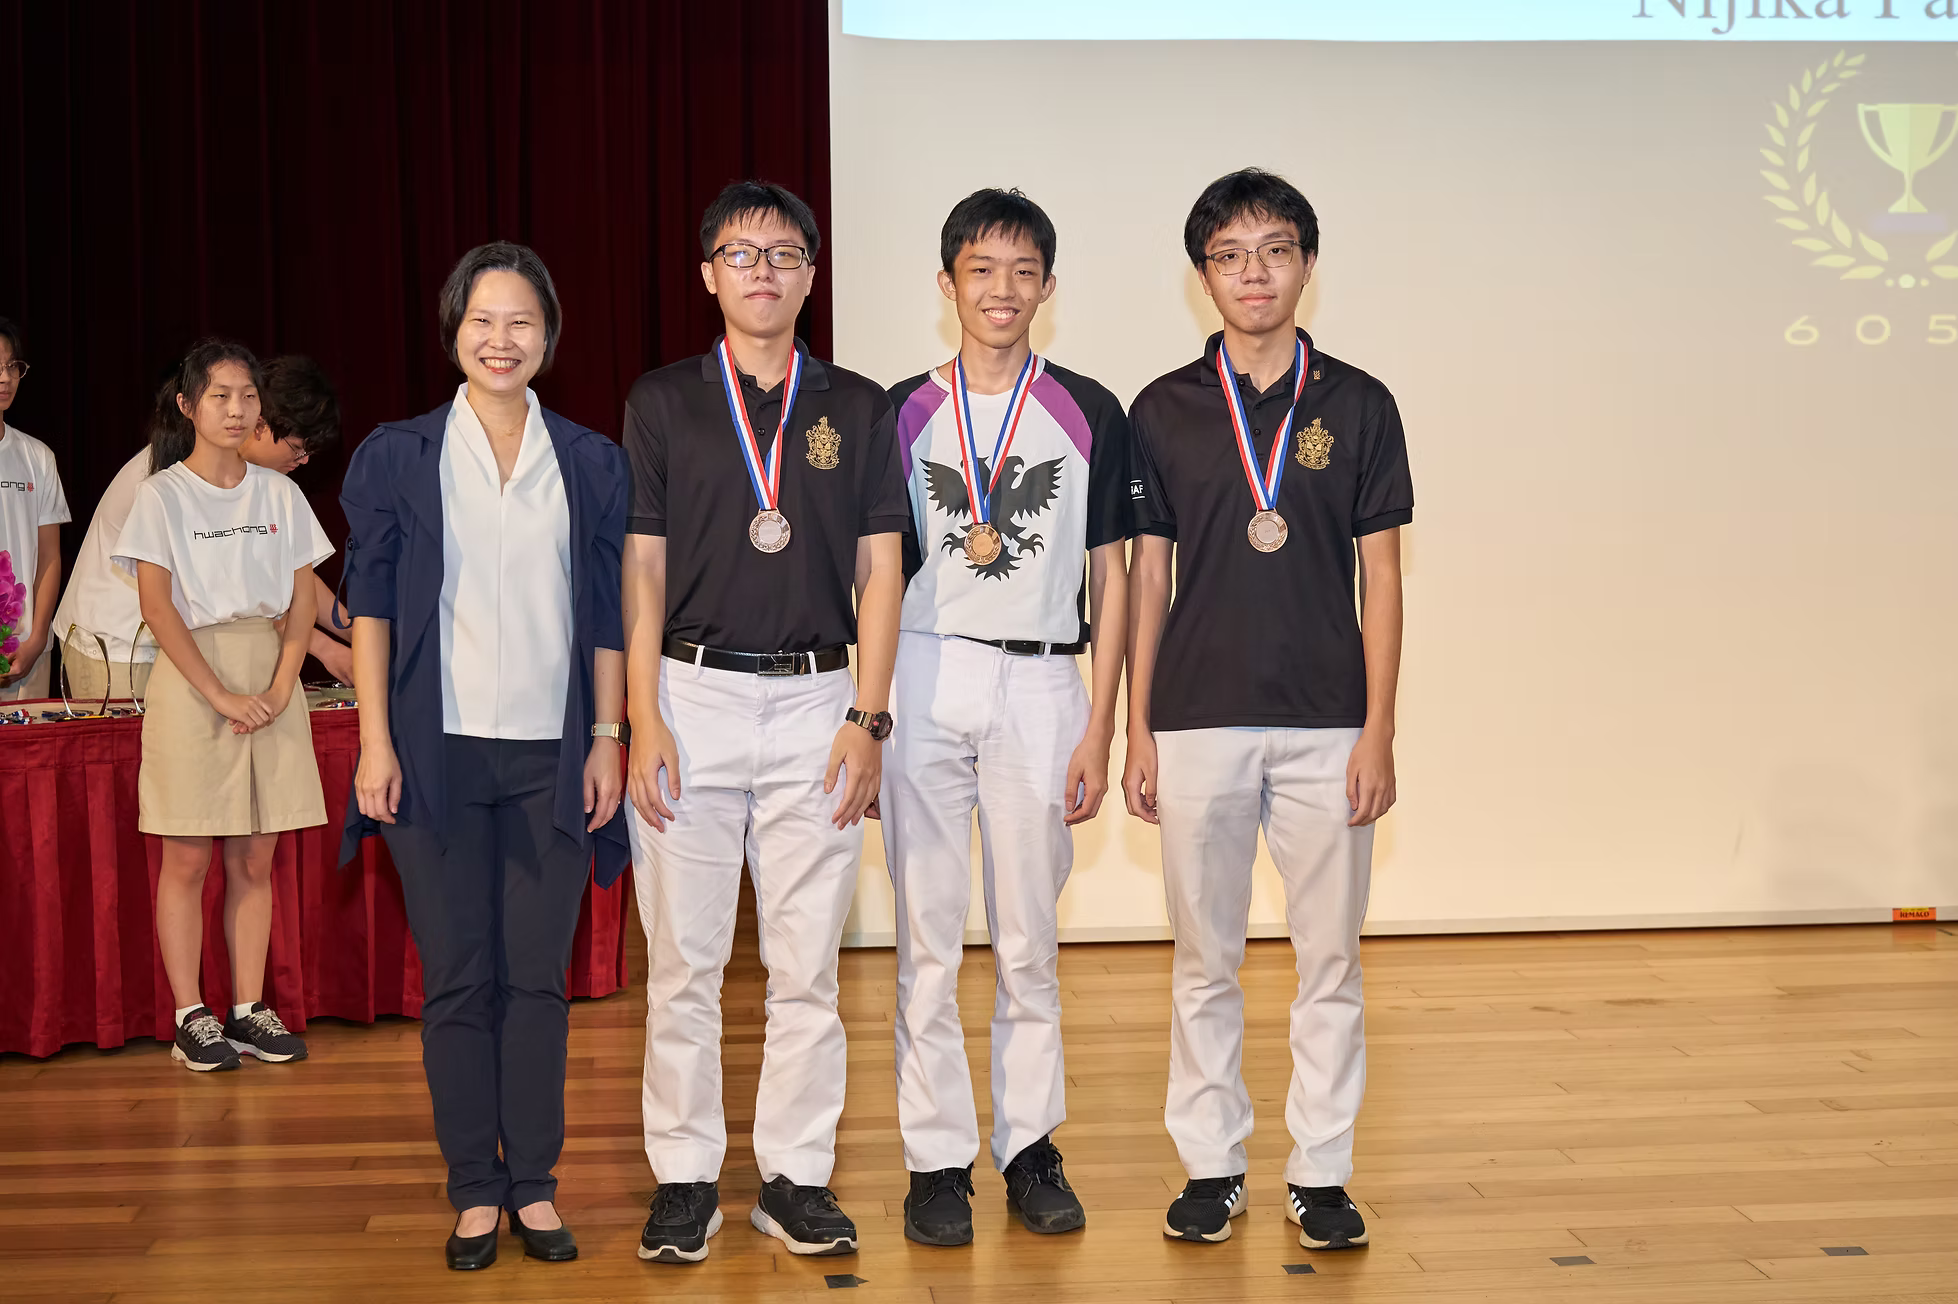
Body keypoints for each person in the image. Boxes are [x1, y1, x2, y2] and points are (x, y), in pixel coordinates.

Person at [1122, 169, 1413, 1252]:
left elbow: (1383, 577)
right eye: (1230, 254)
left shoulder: (1360, 403)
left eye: (1275, 249)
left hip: (1329, 723)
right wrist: (1136, 727)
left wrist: (1378, 729)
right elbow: (1146, 578)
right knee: (1204, 960)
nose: (1254, 272)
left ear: (1306, 264)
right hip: (1195, 720)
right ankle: (1211, 1164)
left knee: (1329, 961)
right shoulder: (1161, 408)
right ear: (1202, 276)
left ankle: (1322, 1171)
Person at [621, 180, 908, 1263]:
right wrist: (642, 716)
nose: (762, 271)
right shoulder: (662, 401)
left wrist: (867, 717)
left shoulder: (858, 406)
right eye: (740, 253)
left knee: (806, 968)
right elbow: (641, 568)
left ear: (809, 275)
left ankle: (795, 1177)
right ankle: (684, 1177)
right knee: (682, 965)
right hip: (688, 697)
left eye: (783, 253)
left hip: (817, 703)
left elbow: (881, 572)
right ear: (708, 274)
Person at [340, 242, 628, 1271]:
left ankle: (534, 1183)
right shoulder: (397, 455)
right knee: (459, 980)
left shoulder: (589, 461)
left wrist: (608, 736)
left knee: (538, 982)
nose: (501, 341)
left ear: (548, 336)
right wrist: (374, 739)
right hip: (434, 756)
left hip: (553, 757)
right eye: (482, 321)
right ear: (453, 331)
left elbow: (607, 614)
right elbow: (370, 607)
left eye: (521, 322)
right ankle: (473, 1187)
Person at [877, 188, 1133, 1246]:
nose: (1002, 289)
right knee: (927, 940)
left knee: (1029, 941)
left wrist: (1101, 723)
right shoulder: (901, 409)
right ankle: (936, 1160)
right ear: (947, 284)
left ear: (1047, 287)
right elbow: (874, 573)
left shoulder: (1088, 409)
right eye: (981, 269)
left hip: (1042, 681)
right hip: (925, 671)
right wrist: (867, 711)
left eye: (1023, 271)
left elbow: (1114, 574)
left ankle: (1029, 1147)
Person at [111, 339, 333, 1076]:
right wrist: (220, 695)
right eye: (219, 396)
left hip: (269, 676)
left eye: (247, 396)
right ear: (187, 406)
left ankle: (247, 1007)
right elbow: (157, 606)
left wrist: (280, 686)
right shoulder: (162, 495)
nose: (236, 410)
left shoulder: (280, 494)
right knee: (187, 856)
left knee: (255, 857)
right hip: (192, 679)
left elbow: (301, 602)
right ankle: (190, 1015)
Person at [51, 356, 347, 704]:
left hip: (187, 644)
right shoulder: (175, 479)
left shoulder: (256, 483)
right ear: (259, 423)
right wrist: (326, 647)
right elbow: (237, 588)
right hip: (120, 646)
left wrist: (353, 631)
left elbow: (290, 573)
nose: (304, 460)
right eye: (298, 448)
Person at [0, 316, 72, 700]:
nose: (5, 378)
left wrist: (38, 637)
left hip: (28, 653)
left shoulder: (37, 456)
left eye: (12, 366)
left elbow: (49, 556)